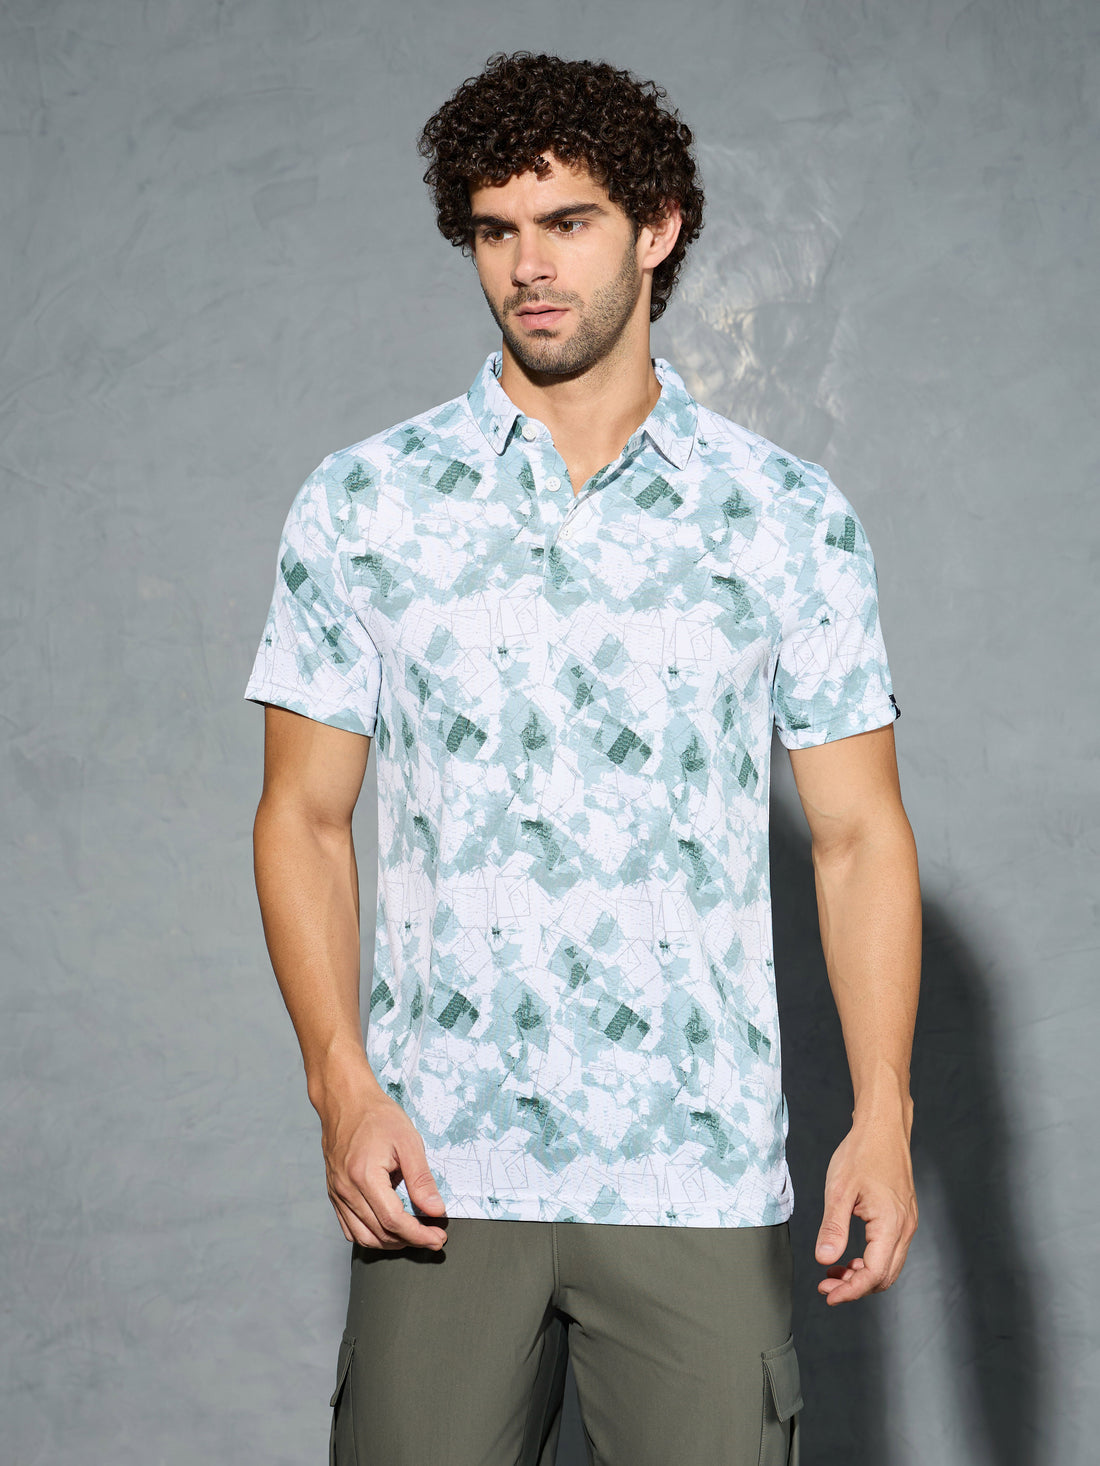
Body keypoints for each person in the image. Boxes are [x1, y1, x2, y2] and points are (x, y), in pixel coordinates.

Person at [243, 50, 920, 1466]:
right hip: (439, 1168)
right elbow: (303, 818)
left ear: (656, 226)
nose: (528, 267)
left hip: (697, 1169)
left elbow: (858, 835)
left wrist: (883, 1113)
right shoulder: (364, 504)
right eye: (495, 230)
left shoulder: (786, 518)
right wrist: (340, 1086)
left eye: (568, 223)